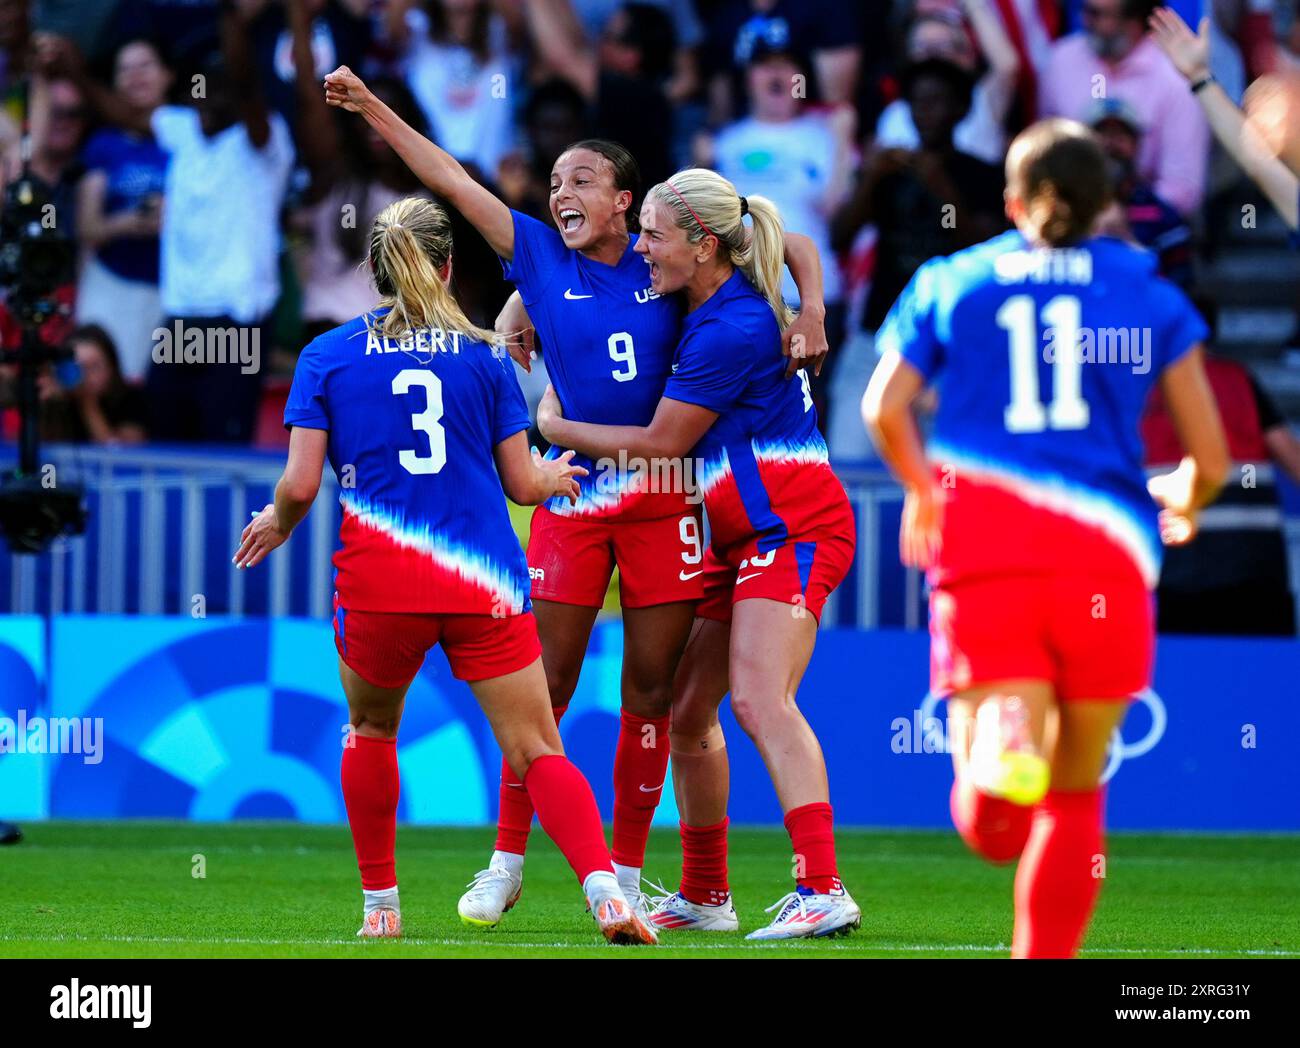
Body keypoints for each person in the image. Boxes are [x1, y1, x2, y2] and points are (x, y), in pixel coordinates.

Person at [323, 63, 830, 928]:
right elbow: (448, 176)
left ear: (627, 201)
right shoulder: (539, 256)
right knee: (541, 692)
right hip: (573, 495)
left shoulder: (670, 261)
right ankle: (506, 862)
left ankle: (626, 877)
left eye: (582, 179)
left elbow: (778, 235)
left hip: (669, 497)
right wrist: (373, 107)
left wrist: (809, 306)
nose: (561, 190)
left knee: (650, 696)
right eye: (554, 180)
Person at [232, 195, 657, 946]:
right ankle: (605, 893)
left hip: (380, 586)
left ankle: (381, 909)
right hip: (483, 584)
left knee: (370, 730)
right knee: (536, 749)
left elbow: (299, 486)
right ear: (449, 265)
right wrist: (555, 479)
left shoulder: (326, 357)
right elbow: (524, 485)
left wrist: (278, 520)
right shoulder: (486, 357)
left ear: (374, 270)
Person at [862, 118, 1230, 958]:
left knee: (993, 827)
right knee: (1075, 800)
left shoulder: (954, 279)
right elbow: (1209, 455)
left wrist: (922, 490)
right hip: (1106, 556)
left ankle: (1001, 747)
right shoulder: (1149, 294)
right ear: (1109, 204)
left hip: (984, 549)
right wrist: (1190, 495)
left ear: (1012, 200)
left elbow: (883, 407)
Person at [537, 168, 861, 940]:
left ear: (703, 245)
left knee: (757, 700)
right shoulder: (717, 295)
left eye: (654, 234)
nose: (641, 247)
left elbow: (658, 445)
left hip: (793, 527)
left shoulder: (733, 329)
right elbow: (797, 241)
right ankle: (707, 895)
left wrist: (554, 425)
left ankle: (823, 887)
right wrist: (812, 306)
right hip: (743, 537)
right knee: (686, 712)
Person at [1142, 301, 1300, 636]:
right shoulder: (1239, 381)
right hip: (1252, 572)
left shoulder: (1136, 389)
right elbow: (1293, 461)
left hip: (1168, 575)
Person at [1038, 0, 1209, 216]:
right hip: (1066, 221)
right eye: (1087, 11)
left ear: (1135, 20)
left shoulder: (1175, 75)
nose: (1087, 21)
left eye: (1099, 14)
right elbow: (1043, 157)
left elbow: (1184, 189)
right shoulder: (1060, 61)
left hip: (1149, 230)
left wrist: (1127, 216)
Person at [73, 39, 171, 382]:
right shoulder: (104, 143)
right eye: (124, 69)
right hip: (112, 284)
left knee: (153, 397)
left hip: (171, 290)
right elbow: (87, 227)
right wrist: (128, 223)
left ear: (168, 75)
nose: (135, 76)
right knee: (97, 383)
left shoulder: (187, 135)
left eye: (145, 66)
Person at [1086, 97, 1193, 288]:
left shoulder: (1163, 216)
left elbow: (1181, 285)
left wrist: (1126, 241)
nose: (1110, 145)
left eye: (1120, 136)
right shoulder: (1068, 208)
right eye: (1102, 135)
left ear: (1137, 145)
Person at [38, 324, 147, 444]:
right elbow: (40, 449)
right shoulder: (59, 396)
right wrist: (47, 407)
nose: (84, 376)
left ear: (112, 368)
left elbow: (121, 454)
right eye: (77, 368)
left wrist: (87, 402)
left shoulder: (131, 399)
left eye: (94, 367)